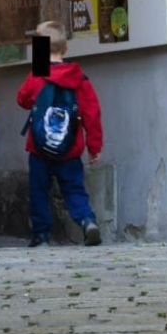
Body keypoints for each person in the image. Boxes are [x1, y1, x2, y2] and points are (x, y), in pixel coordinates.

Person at [16, 21, 105, 247]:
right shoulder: (79, 78)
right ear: (65, 48)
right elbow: (92, 114)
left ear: (39, 49)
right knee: (74, 189)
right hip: (70, 149)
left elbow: (22, 100)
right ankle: (87, 220)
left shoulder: (37, 76)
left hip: (39, 149)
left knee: (39, 191)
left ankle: (41, 236)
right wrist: (94, 147)